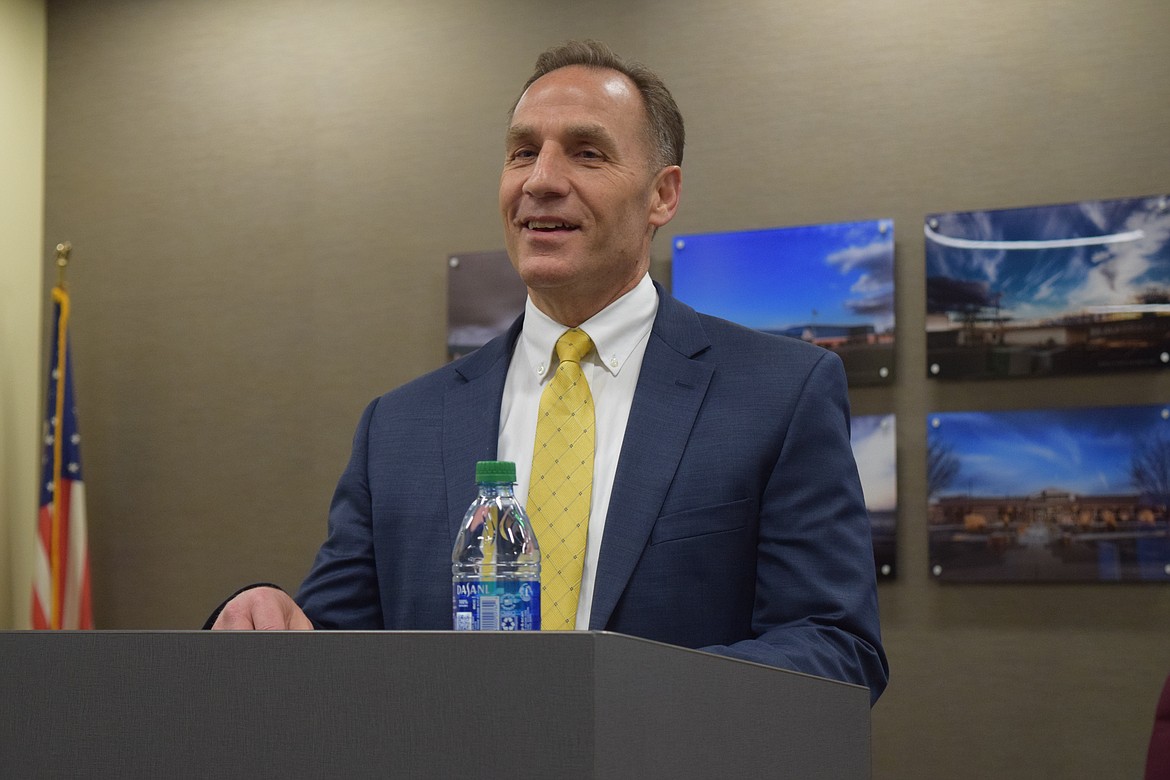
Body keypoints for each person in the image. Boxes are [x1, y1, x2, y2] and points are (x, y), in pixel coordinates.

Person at [211, 39, 889, 704]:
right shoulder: (400, 426)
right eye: (523, 152)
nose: (540, 180)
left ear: (663, 194)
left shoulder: (781, 393)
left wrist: (608, 701)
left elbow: (833, 646)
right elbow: (332, 645)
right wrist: (267, 613)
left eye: (586, 153)